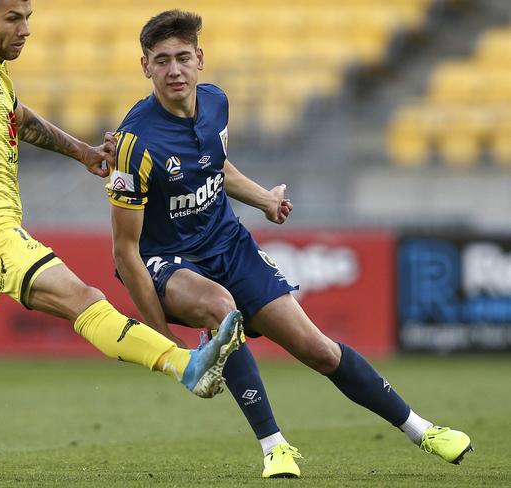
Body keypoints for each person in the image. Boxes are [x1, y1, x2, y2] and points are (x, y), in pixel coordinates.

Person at [0, 0, 245, 477]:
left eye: (28, 18)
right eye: (12, 19)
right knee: (82, 298)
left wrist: (83, 152)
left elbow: (19, 119)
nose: (25, 30)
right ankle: (184, 364)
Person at [106, 9, 473, 479]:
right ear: (145, 67)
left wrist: (263, 201)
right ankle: (274, 447)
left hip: (228, 244)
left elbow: (215, 166)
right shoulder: (133, 143)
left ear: (200, 58)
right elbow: (125, 250)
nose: (173, 70)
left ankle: (422, 429)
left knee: (317, 348)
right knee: (223, 309)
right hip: (165, 261)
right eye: (161, 61)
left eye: (182, 58)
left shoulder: (217, 102)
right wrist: (168, 344)